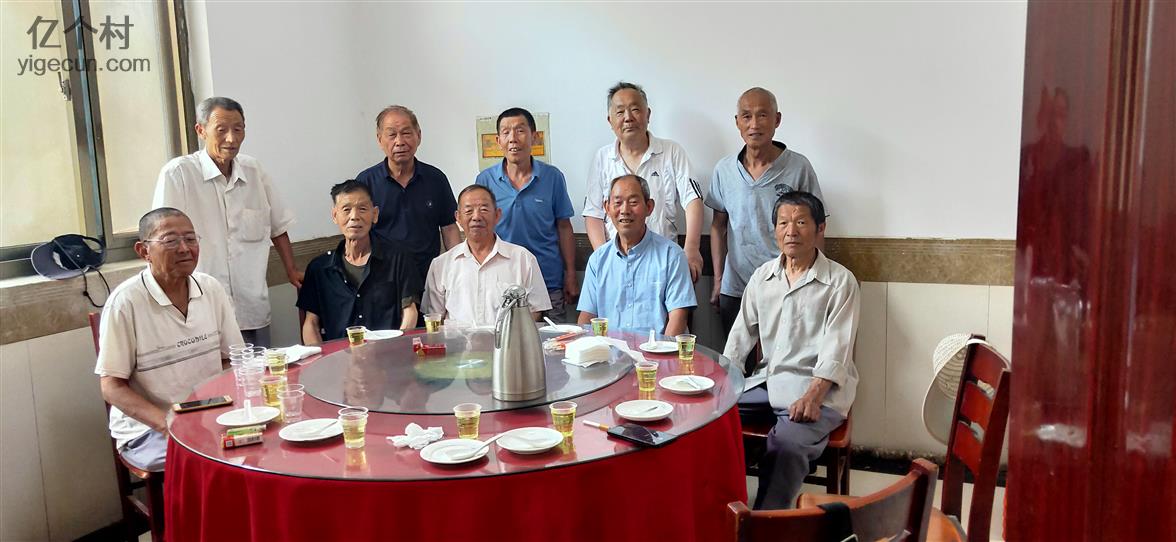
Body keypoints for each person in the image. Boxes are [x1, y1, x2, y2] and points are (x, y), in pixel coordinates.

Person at [723, 191, 859, 510]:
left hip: (820, 390)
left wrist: (813, 395)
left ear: (820, 228)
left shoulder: (840, 282)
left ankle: (767, 523)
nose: (791, 231)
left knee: (786, 445)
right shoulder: (763, 277)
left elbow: (837, 348)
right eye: (783, 223)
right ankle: (723, 507)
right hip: (769, 382)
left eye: (800, 222)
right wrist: (724, 385)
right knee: (711, 419)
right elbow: (740, 337)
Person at [95, 208, 244, 472]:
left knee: (264, 443)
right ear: (143, 251)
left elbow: (232, 360)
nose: (185, 248)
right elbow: (111, 386)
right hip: (149, 429)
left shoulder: (210, 288)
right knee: (208, 459)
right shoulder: (126, 302)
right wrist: (168, 424)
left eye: (190, 239)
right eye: (171, 241)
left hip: (210, 415)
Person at [153, 96, 300, 347]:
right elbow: (162, 240)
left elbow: (278, 227)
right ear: (201, 130)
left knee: (259, 369)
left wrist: (291, 270)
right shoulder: (178, 174)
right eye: (221, 130)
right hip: (200, 309)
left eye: (238, 129)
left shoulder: (254, 171)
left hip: (251, 305)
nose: (231, 139)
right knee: (213, 371)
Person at [708, 87, 823, 340]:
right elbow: (718, 226)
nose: (754, 124)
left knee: (785, 360)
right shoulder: (724, 170)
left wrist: (811, 283)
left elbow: (816, 227)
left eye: (762, 115)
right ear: (737, 122)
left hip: (787, 287)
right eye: (746, 116)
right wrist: (718, 280)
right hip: (736, 289)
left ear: (777, 120)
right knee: (736, 360)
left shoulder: (798, 167)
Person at [583, 81, 705, 281]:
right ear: (610, 120)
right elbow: (593, 214)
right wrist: (604, 257)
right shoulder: (602, 158)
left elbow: (693, 200)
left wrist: (692, 248)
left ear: (648, 114)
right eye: (620, 112)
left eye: (635, 109)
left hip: (665, 262)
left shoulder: (671, 152)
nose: (628, 118)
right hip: (618, 264)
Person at [475, 107, 577, 321]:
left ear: (534, 136)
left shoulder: (552, 177)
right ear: (498, 140)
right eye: (506, 132)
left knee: (552, 340)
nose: (513, 138)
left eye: (520, 130)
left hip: (549, 281)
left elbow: (564, 227)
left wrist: (570, 273)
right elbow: (480, 231)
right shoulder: (485, 180)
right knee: (504, 339)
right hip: (503, 282)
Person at [297, 180, 422, 345]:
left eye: (362, 209)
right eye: (346, 209)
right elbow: (311, 323)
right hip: (339, 358)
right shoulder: (319, 268)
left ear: (375, 214)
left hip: (388, 354)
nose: (354, 216)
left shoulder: (398, 259)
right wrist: (321, 356)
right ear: (335, 216)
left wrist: (395, 350)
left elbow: (410, 312)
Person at [577, 175, 696, 337]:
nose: (625, 210)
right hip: (609, 351)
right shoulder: (598, 260)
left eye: (633, 202)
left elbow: (678, 318)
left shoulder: (672, 256)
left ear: (649, 207)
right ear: (607, 208)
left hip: (657, 351)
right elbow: (587, 317)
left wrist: (662, 351)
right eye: (617, 203)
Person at [356, 105, 461, 283]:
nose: (399, 141)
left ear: (418, 136)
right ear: (379, 139)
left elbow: (449, 228)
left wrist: (458, 270)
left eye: (406, 133)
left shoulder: (436, 178)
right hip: (382, 279)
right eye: (392, 134)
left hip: (428, 277)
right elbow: (357, 232)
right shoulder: (366, 182)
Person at [423, 185, 550, 328]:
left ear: (497, 215)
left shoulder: (523, 259)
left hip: (507, 341)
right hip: (457, 342)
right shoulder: (441, 265)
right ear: (458, 217)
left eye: (484, 209)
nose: (476, 217)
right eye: (468, 211)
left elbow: (535, 310)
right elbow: (434, 317)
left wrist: (511, 336)